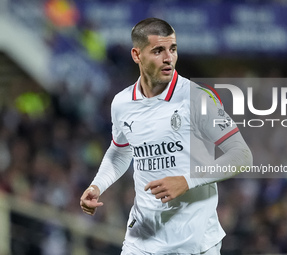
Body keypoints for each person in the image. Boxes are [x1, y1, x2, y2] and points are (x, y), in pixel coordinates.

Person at [80, 17, 252, 255]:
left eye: (172, 49)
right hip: (141, 240)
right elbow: (120, 149)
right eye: (158, 50)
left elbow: (241, 155)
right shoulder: (122, 103)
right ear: (137, 55)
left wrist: (187, 180)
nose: (168, 58)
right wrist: (97, 185)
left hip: (196, 242)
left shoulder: (198, 98)